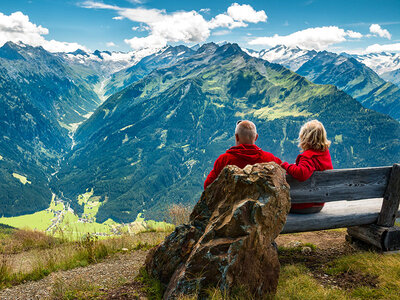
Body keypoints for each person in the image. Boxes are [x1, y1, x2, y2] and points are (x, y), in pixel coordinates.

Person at [204, 120, 282, 189]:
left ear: (236, 137)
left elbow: (207, 186)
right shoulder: (270, 158)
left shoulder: (224, 160)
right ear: (256, 137)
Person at [281, 120, 333, 214]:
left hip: (303, 205)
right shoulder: (324, 154)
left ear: (305, 138)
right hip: (319, 203)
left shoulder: (308, 156)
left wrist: (285, 165)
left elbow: (301, 173)